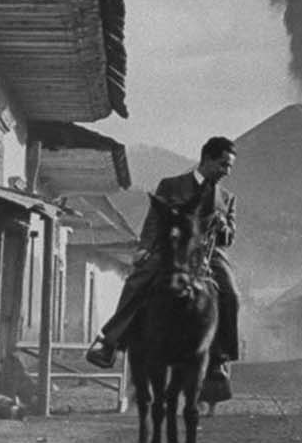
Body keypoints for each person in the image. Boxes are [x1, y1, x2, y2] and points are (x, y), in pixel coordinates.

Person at [85, 135, 240, 393]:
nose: (226, 172)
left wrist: (224, 227)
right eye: (223, 165)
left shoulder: (227, 198)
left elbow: (229, 239)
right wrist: (145, 247)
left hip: (208, 254)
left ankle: (219, 361)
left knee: (231, 294)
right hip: (175, 246)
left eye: (229, 167)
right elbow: (155, 220)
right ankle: (109, 342)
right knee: (140, 278)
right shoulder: (171, 185)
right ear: (207, 159)